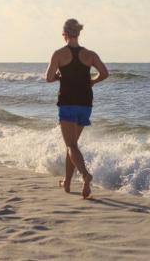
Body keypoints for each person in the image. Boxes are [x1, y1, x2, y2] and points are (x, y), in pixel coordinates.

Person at [45, 18, 109, 199]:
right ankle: (66, 181)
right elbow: (105, 73)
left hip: (67, 103)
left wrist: (59, 77)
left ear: (64, 34)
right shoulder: (90, 54)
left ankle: (85, 175)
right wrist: (92, 82)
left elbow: (48, 77)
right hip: (85, 103)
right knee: (72, 145)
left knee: (71, 145)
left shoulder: (58, 54)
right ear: (78, 33)